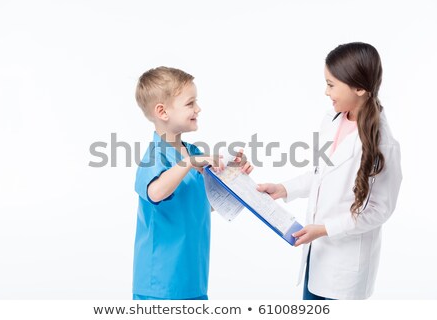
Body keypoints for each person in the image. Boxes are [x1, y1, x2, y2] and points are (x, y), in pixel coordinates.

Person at [257, 42, 402, 300]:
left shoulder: (383, 143)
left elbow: (380, 211)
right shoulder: (332, 119)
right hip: (318, 257)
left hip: (345, 270)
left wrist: (324, 229)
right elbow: (320, 174)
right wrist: (284, 189)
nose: (326, 92)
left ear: (359, 88)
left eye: (331, 84)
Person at [133, 66, 252, 300]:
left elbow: (205, 204)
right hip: (160, 285)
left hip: (193, 281)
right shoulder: (155, 156)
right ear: (162, 111)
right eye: (190, 103)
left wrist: (236, 176)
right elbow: (155, 192)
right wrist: (189, 163)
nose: (198, 109)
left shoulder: (193, 152)